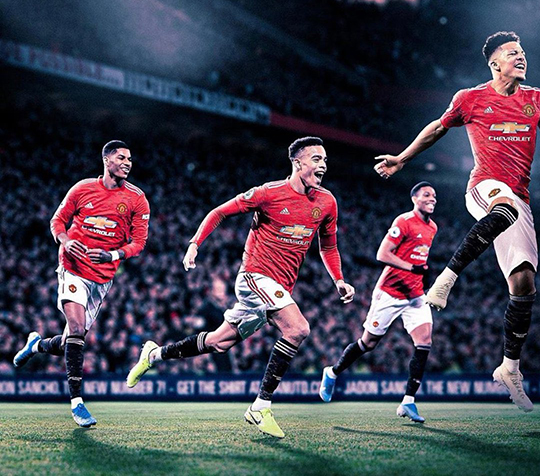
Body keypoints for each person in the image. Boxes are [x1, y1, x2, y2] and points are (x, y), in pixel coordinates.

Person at [374, 31, 540, 413]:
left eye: (522, 52)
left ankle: (510, 368)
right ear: (494, 63)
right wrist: (402, 158)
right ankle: (445, 279)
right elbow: (437, 128)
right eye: (512, 52)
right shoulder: (470, 98)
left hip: (520, 199)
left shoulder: (537, 100)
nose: (521, 57)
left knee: (524, 283)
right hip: (483, 187)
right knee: (503, 206)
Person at [127, 136, 355, 438]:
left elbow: (328, 246)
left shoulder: (327, 202)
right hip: (254, 276)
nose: (323, 164)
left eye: (325, 159)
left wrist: (338, 279)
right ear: (297, 163)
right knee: (298, 328)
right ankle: (260, 406)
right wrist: (195, 244)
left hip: (279, 286)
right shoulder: (268, 193)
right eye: (316, 159)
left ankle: (154, 355)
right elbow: (219, 212)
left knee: (218, 342)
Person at [13, 140, 150, 427]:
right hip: (72, 267)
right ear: (106, 160)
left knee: (69, 342)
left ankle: (36, 346)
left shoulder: (137, 199)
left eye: (130, 159)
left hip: (102, 277)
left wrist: (113, 254)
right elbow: (57, 221)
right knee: (76, 330)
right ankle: (77, 402)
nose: (127, 163)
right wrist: (65, 240)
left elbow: (139, 243)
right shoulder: (82, 189)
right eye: (121, 158)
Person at [320, 182, 438, 422]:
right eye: (427, 195)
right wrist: (412, 268)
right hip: (390, 293)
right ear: (414, 199)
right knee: (368, 343)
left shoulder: (433, 227)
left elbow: (420, 258)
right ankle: (332, 372)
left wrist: (422, 276)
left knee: (424, 343)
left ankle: (408, 402)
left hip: (415, 296)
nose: (432, 199)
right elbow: (382, 254)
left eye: (434, 196)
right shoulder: (404, 221)